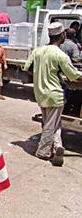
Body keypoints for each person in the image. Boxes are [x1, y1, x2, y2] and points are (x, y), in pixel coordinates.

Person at [24, 22, 82, 166]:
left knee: (52, 122)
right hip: (55, 94)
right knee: (50, 124)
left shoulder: (37, 51)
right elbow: (74, 76)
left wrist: (40, 75)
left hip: (40, 93)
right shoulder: (60, 55)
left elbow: (28, 68)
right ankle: (43, 152)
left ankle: (57, 147)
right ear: (62, 35)